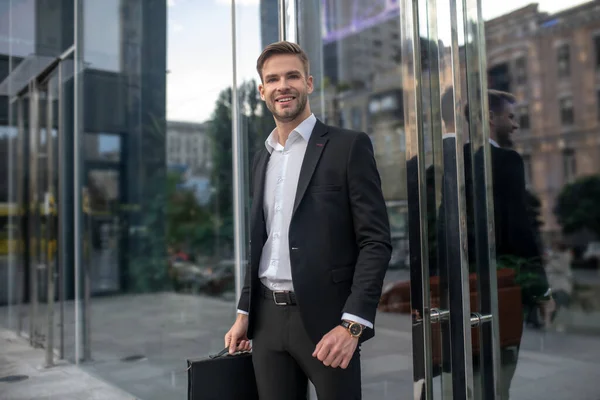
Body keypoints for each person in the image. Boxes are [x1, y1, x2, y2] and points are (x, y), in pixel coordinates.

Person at [224, 41, 392, 400]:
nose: (282, 85)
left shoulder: (348, 147)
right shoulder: (262, 158)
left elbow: (375, 242)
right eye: (273, 79)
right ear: (262, 91)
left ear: (309, 83)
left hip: (328, 322)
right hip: (266, 321)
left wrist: (353, 325)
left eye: (292, 76)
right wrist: (244, 312)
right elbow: (261, 242)